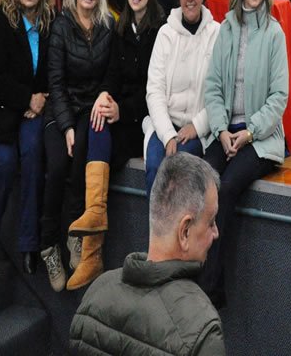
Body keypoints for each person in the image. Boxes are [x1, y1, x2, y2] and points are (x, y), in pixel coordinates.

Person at [69, 152, 225, 355]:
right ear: (184, 231)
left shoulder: (95, 293)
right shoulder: (202, 330)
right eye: (211, 222)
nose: (216, 233)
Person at [202, 0, 288, 307]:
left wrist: (248, 132)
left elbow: (279, 96)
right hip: (225, 132)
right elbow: (213, 87)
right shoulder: (226, 29)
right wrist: (221, 130)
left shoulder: (274, 33)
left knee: (225, 186)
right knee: (201, 180)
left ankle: (210, 289)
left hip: (261, 139)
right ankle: (195, 274)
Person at [41, 0, 114, 292]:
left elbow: (109, 74)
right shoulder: (61, 24)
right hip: (60, 110)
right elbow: (55, 82)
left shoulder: (106, 24)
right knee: (57, 166)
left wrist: (103, 95)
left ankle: (74, 235)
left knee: (79, 163)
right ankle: (48, 246)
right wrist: (67, 126)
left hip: (89, 109)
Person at [0, 0, 54, 275]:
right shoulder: (2, 20)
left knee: (33, 155)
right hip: (5, 112)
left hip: (35, 113)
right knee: (4, 164)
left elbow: (53, 71)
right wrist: (26, 98)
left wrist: (42, 98)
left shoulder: (49, 21)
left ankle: (28, 244)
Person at [145, 0, 220, 195]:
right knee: (157, 167)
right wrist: (168, 134)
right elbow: (154, 90)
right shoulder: (165, 34)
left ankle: (181, 231)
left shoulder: (217, 34)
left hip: (197, 130)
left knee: (180, 171)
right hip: (164, 125)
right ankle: (156, 231)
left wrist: (196, 126)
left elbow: (220, 93)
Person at [92, 0, 164, 176]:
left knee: (110, 150)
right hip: (119, 109)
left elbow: (153, 89)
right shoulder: (121, 27)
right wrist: (104, 96)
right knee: (94, 127)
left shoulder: (160, 30)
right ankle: (90, 207)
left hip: (142, 116)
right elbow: (112, 74)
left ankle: (98, 204)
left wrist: (121, 111)